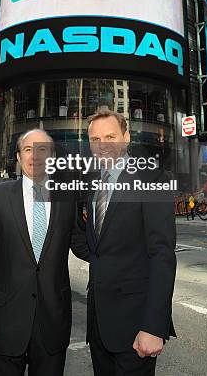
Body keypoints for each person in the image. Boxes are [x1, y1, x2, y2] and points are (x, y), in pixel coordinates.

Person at [0, 128, 88, 376]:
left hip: (52, 325)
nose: (35, 156)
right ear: (19, 157)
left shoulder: (67, 198)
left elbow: (83, 246)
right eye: (28, 149)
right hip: (3, 324)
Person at [84, 111, 176, 376]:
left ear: (126, 138)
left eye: (110, 137)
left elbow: (162, 255)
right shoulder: (93, 183)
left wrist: (153, 327)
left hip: (135, 328)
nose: (102, 144)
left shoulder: (153, 178)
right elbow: (97, 248)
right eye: (95, 139)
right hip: (99, 327)